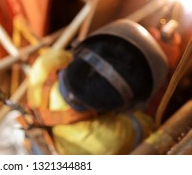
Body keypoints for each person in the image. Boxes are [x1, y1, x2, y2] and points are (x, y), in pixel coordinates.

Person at [26, 19, 168, 154]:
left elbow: (83, 63)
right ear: (118, 108)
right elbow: (148, 123)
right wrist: (168, 70)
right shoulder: (110, 140)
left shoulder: (47, 64)